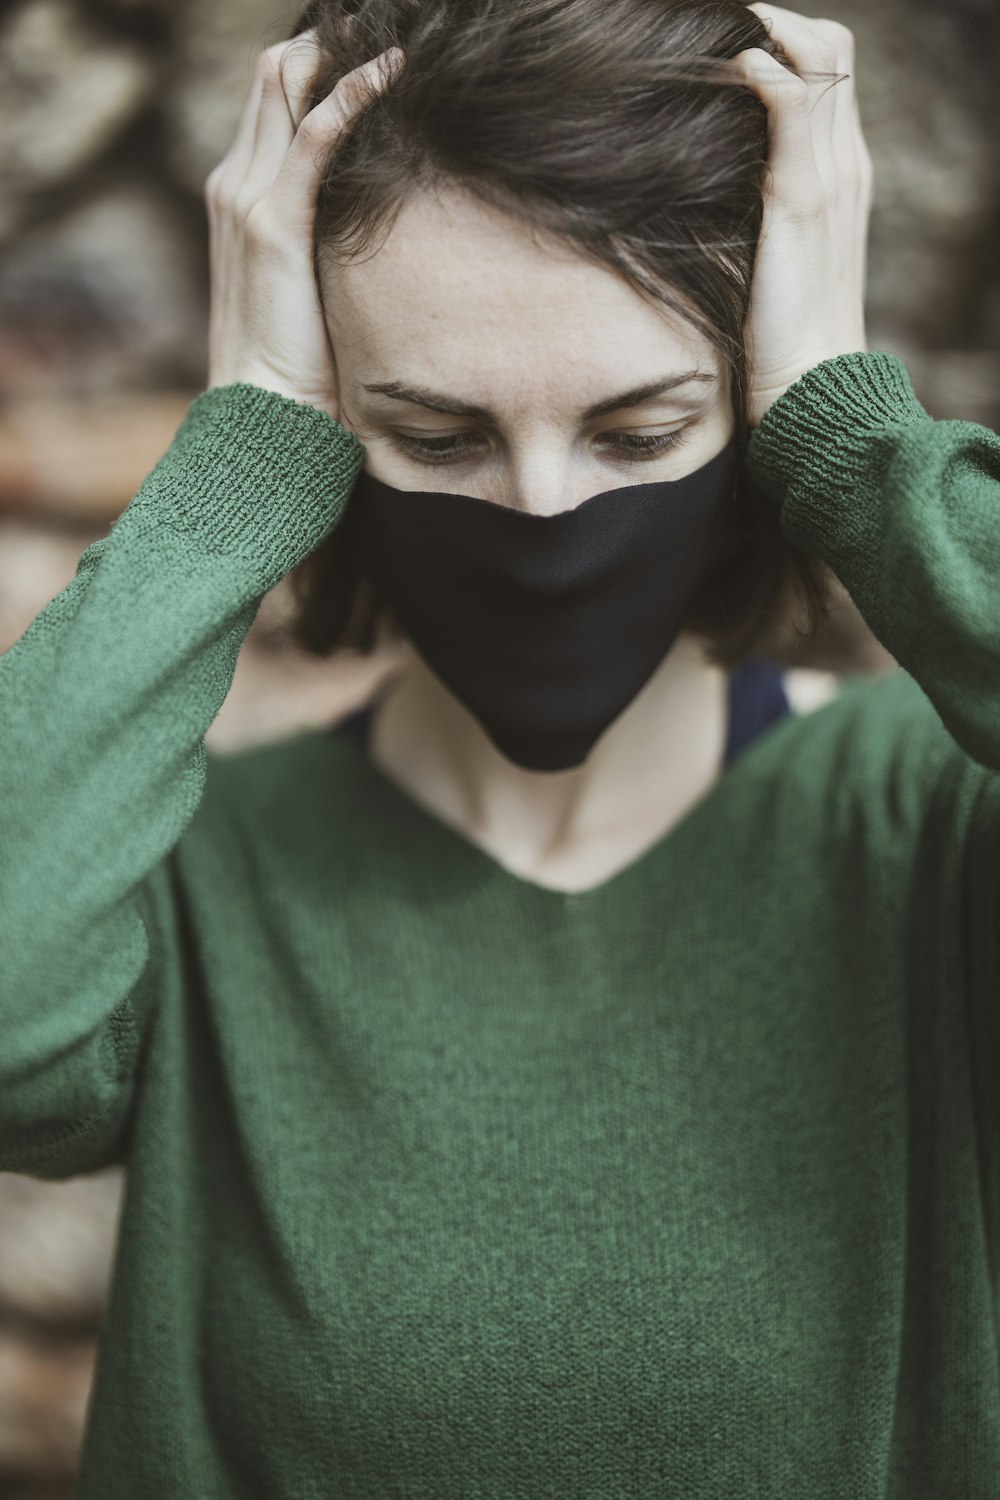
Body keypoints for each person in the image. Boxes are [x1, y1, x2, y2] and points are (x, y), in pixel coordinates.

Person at [1, 0, 998, 1493]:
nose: (543, 512)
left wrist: (844, 431)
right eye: (440, 436)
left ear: (746, 413)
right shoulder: (200, 878)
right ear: (339, 432)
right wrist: (244, 438)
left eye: (642, 432)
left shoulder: (926, 833)